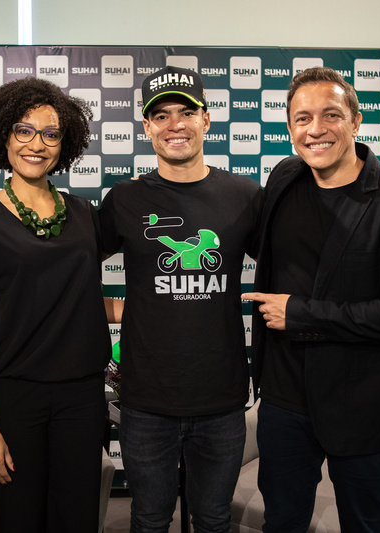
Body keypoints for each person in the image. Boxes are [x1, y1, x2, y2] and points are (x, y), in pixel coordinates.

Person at [242, 66, 380, 533]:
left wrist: (300, 313)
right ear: (290, 127)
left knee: (364, 525)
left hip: (361, 403)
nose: (316, 129)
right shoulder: (284, 177)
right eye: (302, 118)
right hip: (283, 399)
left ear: (355, 120)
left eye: (331, 114)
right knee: (281, 522)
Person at [98, 66, 263, 533]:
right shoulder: (124, 199)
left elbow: (292, 265)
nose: (175, 124)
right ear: (146, 126)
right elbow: (71, 265)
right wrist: (118, 310)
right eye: (161, 115)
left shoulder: (245, 195)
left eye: (186, 112)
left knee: (213, 519)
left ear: (206, 119)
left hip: (221, 397)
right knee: (149, 519)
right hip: (145, 399)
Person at [0, 77, 115, 533]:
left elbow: (79, 297)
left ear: (66, 143)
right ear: (3, 136)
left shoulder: (84, 214)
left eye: (50, 133)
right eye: (24, 130)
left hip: (81, 398)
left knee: (77, 521)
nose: (36, 144)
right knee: (18, 519)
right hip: (13, 399)